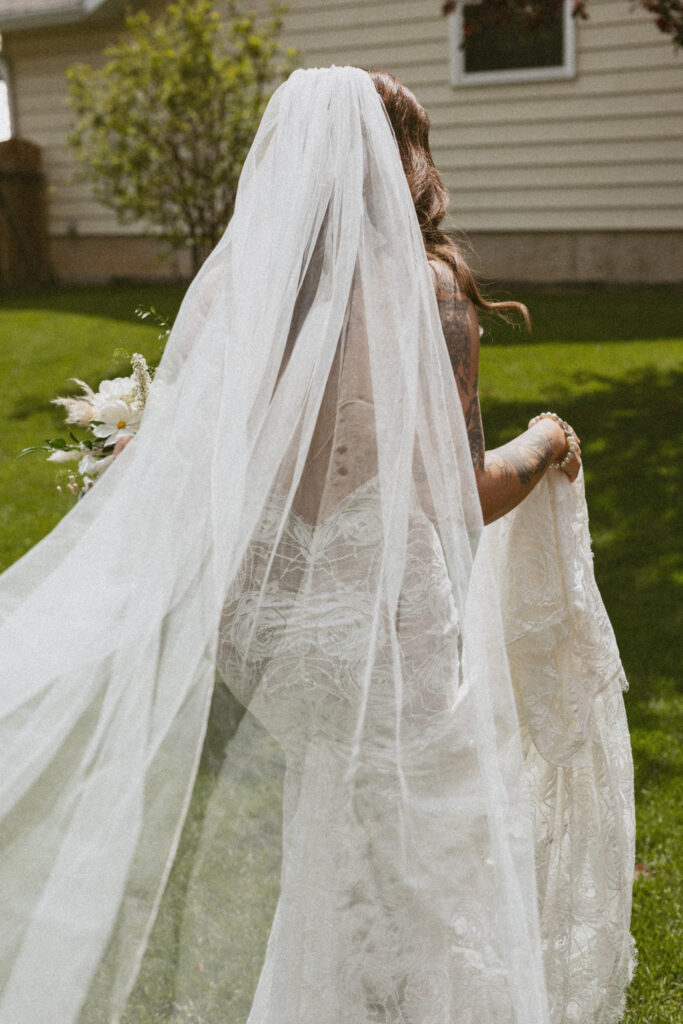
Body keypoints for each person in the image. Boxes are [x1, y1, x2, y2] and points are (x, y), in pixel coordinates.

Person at [0, 67, 633, 1024]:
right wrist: (544, 441)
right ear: (400, 162)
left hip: (270, 632)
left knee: (334, 823)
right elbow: (460, 498)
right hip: (380, 626)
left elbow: (205, 470)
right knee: (429, 849)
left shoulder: (234, 300)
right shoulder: (429, 293)